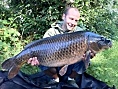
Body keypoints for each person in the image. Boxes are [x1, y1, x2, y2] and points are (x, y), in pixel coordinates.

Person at [27, 7, 95, 88]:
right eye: (71, 19)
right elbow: (42, 49)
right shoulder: (51, 32)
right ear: (64, 16)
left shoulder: (80, 33)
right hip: (53, 64)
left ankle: (71, 79)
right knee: (40, 58)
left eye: (76, 20)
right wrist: (36, 60)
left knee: (86, 57)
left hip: (71, 65)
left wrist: (89, 56)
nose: (73, 22)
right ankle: (55, 78)